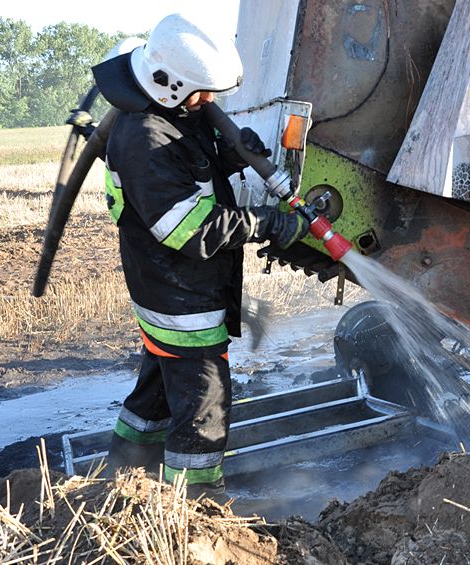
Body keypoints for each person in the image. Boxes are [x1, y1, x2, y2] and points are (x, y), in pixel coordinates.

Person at [90, 13, 309, 498]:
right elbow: (190, 229)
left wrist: (230, 154)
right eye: (202, 91)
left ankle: (123, 475)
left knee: (157, 392)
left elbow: (190, 168)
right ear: (168, 83)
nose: (210, 101)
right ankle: (195, 504)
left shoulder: (169, 115)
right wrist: (265, 222)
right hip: (179, 297)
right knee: (203, 410)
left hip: (169, 289)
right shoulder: (145, 138)